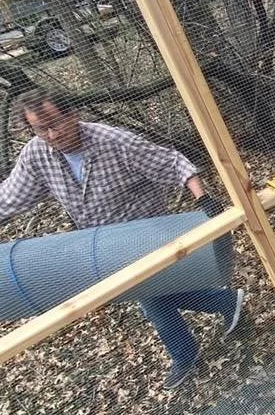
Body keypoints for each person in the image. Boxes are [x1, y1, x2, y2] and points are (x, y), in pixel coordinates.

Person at [0, 87, 246, 390]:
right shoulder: (37, 155)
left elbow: (171, 163)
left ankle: (186, 353)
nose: (52, 134)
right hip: (100, 244)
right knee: (152, 291)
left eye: (56, 123)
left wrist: (203, 198)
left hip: (145, 232)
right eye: (41, 129)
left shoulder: (112, 141)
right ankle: (225, 302)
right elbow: (9, 197)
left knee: (147, 294)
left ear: (72, 114)